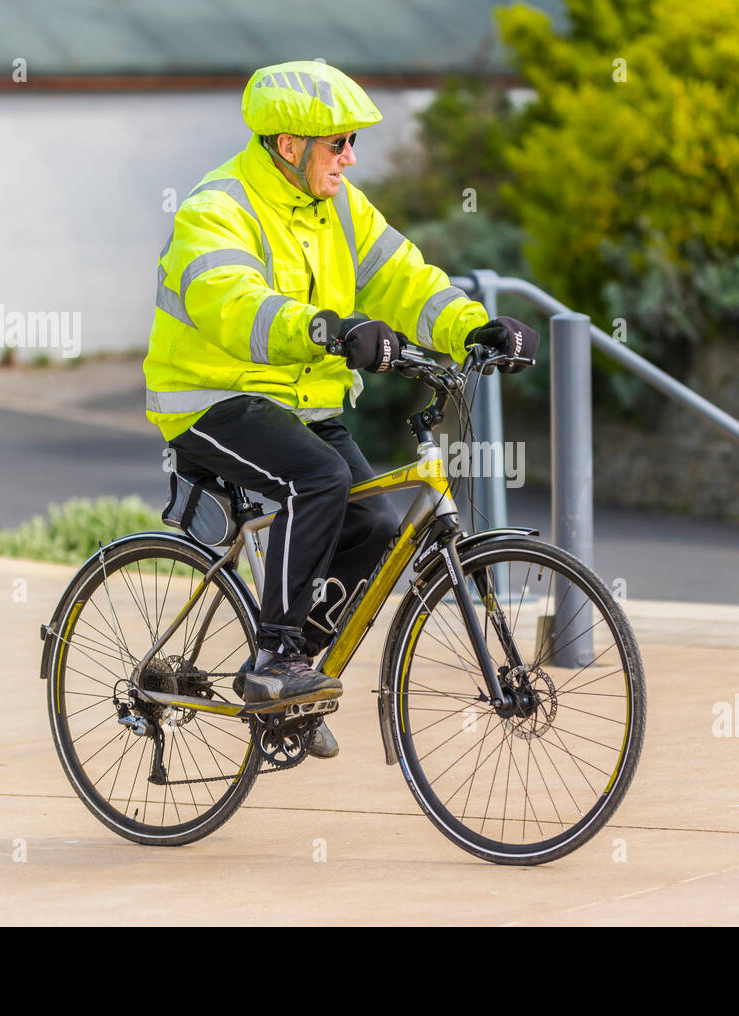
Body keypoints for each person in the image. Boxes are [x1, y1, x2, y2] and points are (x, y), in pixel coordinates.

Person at [142, 60, 538, 758]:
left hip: (301, 406)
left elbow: (404, 279)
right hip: (213, 399)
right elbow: (233, 303)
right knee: (318, 477)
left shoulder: (341, 208)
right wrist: (325, 329)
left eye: (354, 142)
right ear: (289, 144)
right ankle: (274, 659)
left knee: (378, 524)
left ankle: (298, 676)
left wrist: (473, 327)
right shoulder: (217, 208)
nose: (350, 157)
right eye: (339, 143)